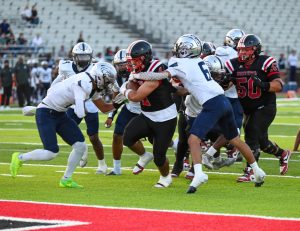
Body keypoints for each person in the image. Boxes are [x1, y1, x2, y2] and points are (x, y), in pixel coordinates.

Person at [130, 34, 266, 193]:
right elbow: (187, 84)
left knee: (193, 138)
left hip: (212, 103)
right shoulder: (199, 60)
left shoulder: (177, 62)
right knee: (235, 139)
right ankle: (257, 171)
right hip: (223, 100)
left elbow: (159, 76)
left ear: (183, 49)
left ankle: (199, 174)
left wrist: (136, 75)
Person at [10, 62, 118, 188]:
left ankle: (66, 179)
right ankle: (20, 157)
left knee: (80, 146)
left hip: (60, 114)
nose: (108, 84)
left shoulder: (92, 85)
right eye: (107, 80)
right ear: (99, 77)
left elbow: (104, 108)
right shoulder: (84, 82)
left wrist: (119, 103)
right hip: (46, 113)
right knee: (51, 152)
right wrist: (86, 110)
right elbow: (79, 112)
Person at [224, 34, 291, 181]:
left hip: (265, 106)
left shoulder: (266, 62)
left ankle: (251, 170)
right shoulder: (232, 64)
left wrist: (264, 85)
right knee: (262, 142)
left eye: (246, 50)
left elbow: (279, 85)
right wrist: (224, 81)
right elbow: (226, 86)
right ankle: (282, 154)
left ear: (255, 50)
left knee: (251, 132)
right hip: (248, 108)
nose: (242, 52)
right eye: (240, 49)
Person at [120, 40, 178, 188]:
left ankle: (166, 177)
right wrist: (130, 86)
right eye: (131, 61)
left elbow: (135, 97)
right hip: (147, 115)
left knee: (159, 156)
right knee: (127, 137)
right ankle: (145, 156)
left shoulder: (156, 70)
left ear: (145, 57)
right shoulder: (138, 70)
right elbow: (132, 83)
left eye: (135, 60)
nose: (132, 64)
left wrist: (124, 90)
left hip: (165, 118)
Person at [52, 42, 111, 174]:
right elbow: (57, 81)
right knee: (68, 131)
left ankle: (102, 164)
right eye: (81, 56)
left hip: (91, 104)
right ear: (74, 57)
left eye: (86, 56)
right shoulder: (65, 66)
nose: (84, 59)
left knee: (94, 137)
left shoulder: (95, 68)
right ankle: (83, 150)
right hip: (73, 104)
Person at [105, 49, 141, 175]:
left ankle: (176, 149)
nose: (121, 68)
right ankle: (116, 168)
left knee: (157, 139)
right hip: (130, 108)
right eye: (119, 65)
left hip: (147, 110)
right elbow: (116, 98)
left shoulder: (140, 72)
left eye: (124, 64)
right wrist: (111, 116)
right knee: (117, 135)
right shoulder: (116, 79)